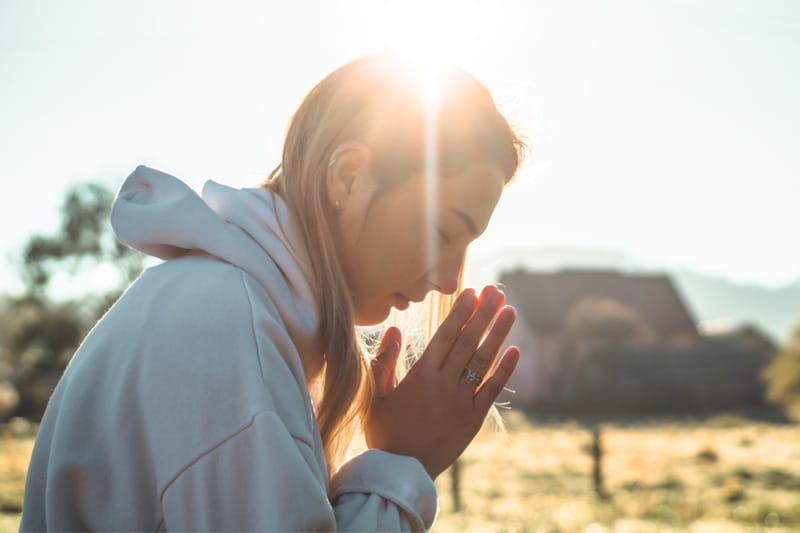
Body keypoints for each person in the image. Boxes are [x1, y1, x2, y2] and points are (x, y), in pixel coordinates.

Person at [21, 53, 525, 531]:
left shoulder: (244, 316)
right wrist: (401, 464)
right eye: (442, 231)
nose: (449, 280)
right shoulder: (221, 327)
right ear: (348, 177)